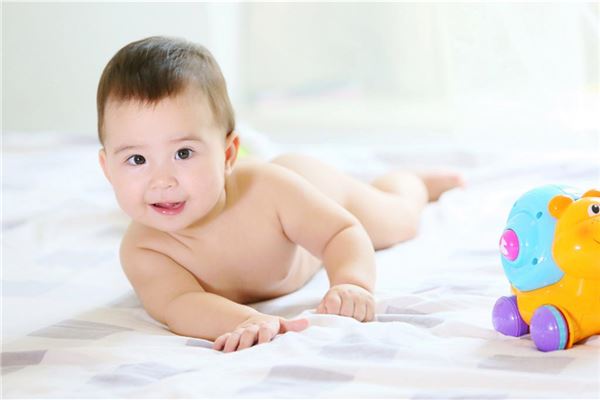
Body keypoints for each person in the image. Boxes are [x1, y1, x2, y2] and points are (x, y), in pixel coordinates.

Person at [97, 36, 463, 353]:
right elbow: (180, 304)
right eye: (137, 159)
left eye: (183, 153)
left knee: (398, 220)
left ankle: (409, 182)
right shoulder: (145, 249)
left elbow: (341, 232)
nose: (162, 180)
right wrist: (247, 320)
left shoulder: (268, 190)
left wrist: (351, 282)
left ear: (228, 154)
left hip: (313, 183)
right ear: (107, 169)